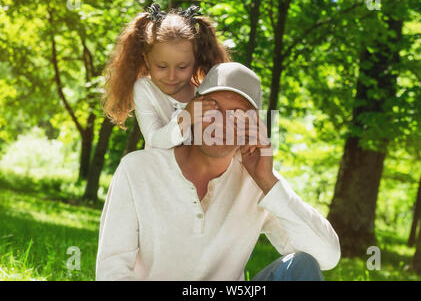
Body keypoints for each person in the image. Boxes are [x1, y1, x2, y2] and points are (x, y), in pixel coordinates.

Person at [96, 62, 341, 281]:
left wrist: (268, 181)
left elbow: (326, 256)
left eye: (238, 117)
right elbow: (112, 271)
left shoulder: (257, 182)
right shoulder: (138, 168)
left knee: (301, 266)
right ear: (193, 110)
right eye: (213, 109)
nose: (222, 124)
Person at [102, 3, 230, 149]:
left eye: (182, 67)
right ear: (147, 60)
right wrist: (186, 118)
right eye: (162, 67)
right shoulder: (146, 89)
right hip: (157, 170)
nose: (171, 76)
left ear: (196, 62)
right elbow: (154, 140)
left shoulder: (206, 95)